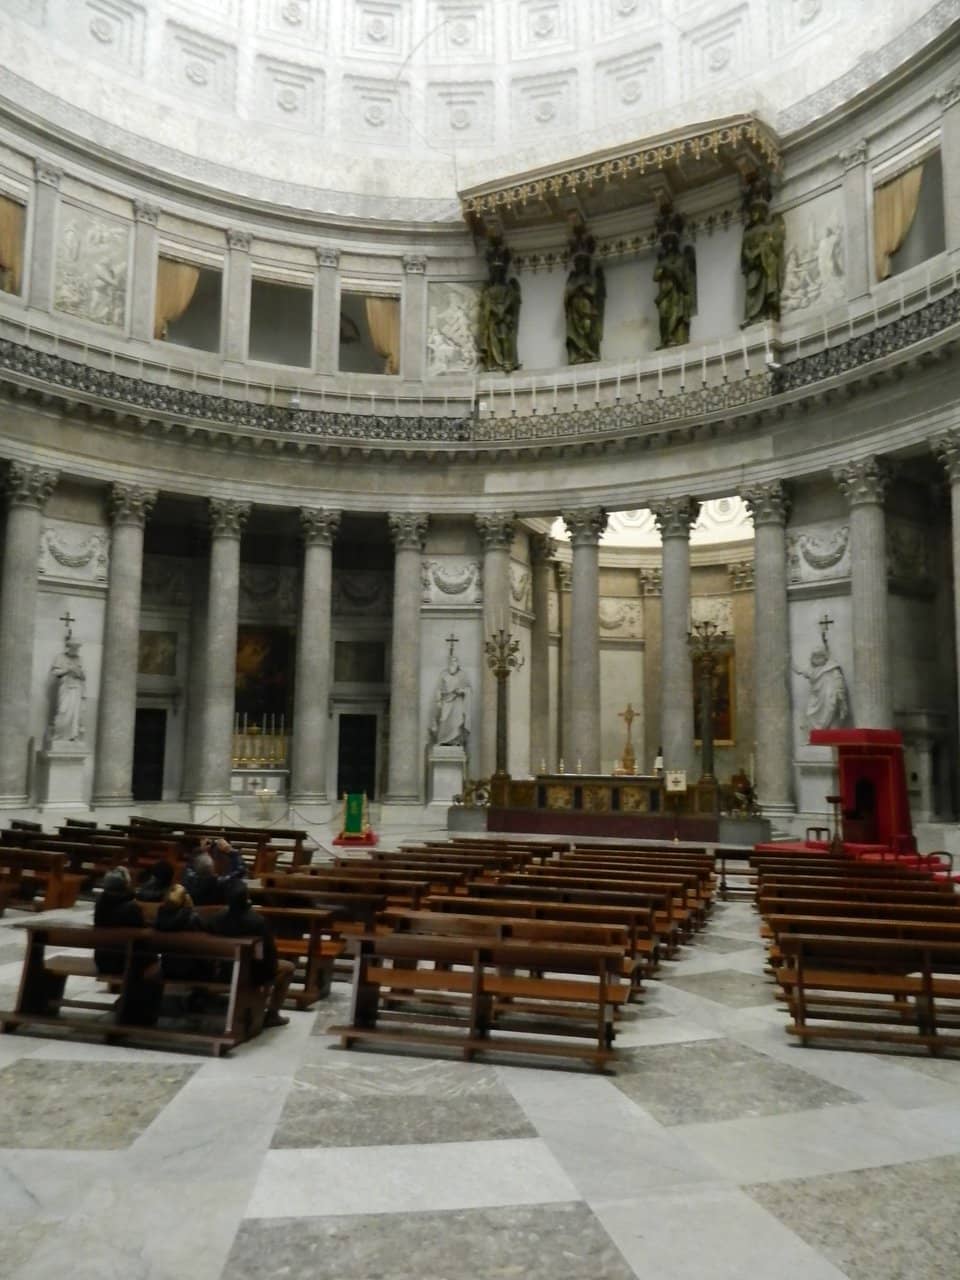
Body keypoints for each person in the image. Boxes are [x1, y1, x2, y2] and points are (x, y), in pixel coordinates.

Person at [205, 881, 293, 1027]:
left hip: (223, 970)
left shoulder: (217, 918)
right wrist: (267, 976)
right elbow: (267, 954)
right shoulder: (257, 921)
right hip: (251, 973)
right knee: (288, 968)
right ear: (247, 898)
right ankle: (273, 1014)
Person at [93, 867, 160, 1024]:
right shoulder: (132, 908)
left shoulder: (100, 905)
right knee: (155, 967)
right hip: (127, 962)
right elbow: (142, 937)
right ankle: (143, 1012)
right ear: (125, 885)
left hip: (103, 959)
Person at [741, 181, 786, 326]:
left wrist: (762, 251)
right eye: (752, 211)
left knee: (765, 285)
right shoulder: (747, 232)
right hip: (753, 266)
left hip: (764, 264)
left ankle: (767, 312)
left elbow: (774, 245)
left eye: (756, 211)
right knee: (751, 290)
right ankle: (752, 316)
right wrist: (749, 255)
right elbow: (744, 249)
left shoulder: (769, 228)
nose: (753, 214)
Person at [478, 233, 521, 373]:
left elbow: (512, 299)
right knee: (495, 342)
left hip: (505, 319)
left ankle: (508, 361)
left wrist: (503, 311)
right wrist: (497, 312)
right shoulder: (488, 290)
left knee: (506, 340)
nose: (496, 274)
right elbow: (487, 303)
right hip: (494, 319)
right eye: (494, 271)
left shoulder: (508, 288)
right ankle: (496, 363)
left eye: (499, 271)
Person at [563, 219, 605, 365]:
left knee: (587, 330)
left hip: (587, 309)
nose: (579, 265)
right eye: (577, 262)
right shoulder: (573, 279)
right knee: (576, 333)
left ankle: (589, 352)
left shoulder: (591, 278)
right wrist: (577, 288)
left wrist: (581, 288)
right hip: (574, 311)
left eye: (582, 262)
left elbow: (593, 291)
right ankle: (579, 354)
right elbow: (567, 295)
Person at [653, 213, 697, 348]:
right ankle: (665, 339)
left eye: (671, 241)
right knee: (663, 315)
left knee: (675, 314)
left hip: (676, 293)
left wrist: (671, 270)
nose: (669, 245)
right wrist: (663, 270)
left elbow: (685, 279)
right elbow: (655, 277)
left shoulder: (681, 259)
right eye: (666, 242)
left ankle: (672, 337)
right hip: (664, 293)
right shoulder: (662, 261)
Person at [155, 883, 209, 984]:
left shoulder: (160, 919)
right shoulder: (192, 919)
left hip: (167, 968)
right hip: (194, 971)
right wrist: (190, 908)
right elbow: (204, 941)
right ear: (186, 900)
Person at [794, 643, 850, 731]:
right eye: (815, 657)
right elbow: (803, 671)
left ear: (825, 657)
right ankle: (816, 733)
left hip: (829, 698)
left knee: (830, 713)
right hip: (817, 698)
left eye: (819, 657)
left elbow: (839, 684)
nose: (817, 660)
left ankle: (826, 733)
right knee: (810, 713)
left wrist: (841, 699)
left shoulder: (832, 668)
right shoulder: (813, 669)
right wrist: (796, 668)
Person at [430, 653, 472, 747]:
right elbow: (438, 689)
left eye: (455, 661)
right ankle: (442, 740)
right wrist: (438, 701)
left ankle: (455, 741)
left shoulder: (462, 675)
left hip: (457, 702)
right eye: (451, 661)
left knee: (457, 721)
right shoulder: (443, 674)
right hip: (446, 700)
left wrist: (462, 691)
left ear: (458, 663)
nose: (452, 663)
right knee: (443, 719)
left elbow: (468, 689)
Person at [48, 638, 86, 742]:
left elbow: (83, 676)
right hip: (65, 688)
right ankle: (59, 734)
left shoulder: (79, 659)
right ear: (69, 647)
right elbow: (54, 672)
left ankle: (73, 735)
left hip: (77, 688)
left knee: (75, 713)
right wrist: (67, 669)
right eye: (74, 646)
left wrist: (80, 673)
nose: (76, 649)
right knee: (63, 710)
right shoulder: (60, 657)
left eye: (77, 647)